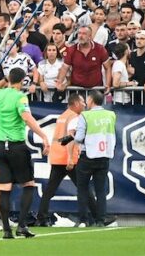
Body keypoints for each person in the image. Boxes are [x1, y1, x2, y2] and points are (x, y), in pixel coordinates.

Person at [0, 68, 50, 240]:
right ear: (23, 81)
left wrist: (2, 81)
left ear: (8, 79)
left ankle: (6, 230)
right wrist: (43, 135)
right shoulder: (20, 97)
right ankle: (22, 225)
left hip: (0, 147)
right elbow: (27, 118)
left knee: (4, 188)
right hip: (16, 146)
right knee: (28, 185)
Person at [68, 90, 117, 228]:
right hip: (104, 155)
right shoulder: (111, 115)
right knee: (101, 190)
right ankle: (100, 220)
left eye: (88, 99)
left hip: (88, 155)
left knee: (82, 189)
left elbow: (78, 138)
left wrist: (73, 135)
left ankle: (83, 219)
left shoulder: (85, 115)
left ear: (91, 100)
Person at [36, 93, 83, 227]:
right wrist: (70, 158)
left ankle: (41, 217)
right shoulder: (74, 117)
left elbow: (59, 137)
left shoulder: (63, 116)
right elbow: (70, 138)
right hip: (67, 158)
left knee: (50, 190)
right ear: (76, 104)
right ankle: (96, 216)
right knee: (84, 188)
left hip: (57, 156)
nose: (84, 105)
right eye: (82, 102)